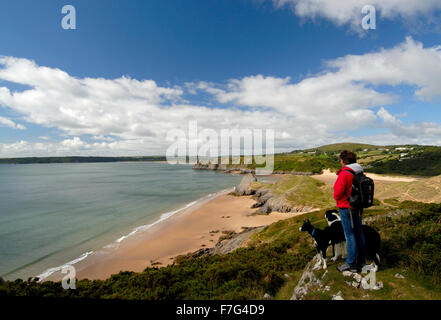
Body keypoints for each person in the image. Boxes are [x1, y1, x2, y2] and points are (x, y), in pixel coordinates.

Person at [333, 150, 366, 273]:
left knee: (350, 235)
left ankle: (351, 264)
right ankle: (361, 262)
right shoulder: (359, 171)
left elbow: (337, 194)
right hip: (358, 207)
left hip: (346, 208)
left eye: (341, 160)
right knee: (359, 233)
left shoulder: (345, 173)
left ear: (343, 161)